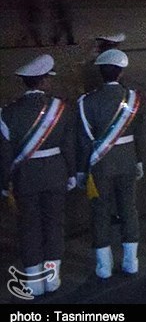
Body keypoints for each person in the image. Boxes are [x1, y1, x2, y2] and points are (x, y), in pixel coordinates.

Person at [0, 54, 76, 296]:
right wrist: (72, 172)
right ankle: (52, 278)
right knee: (54, 224)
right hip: (55, 173)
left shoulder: (7, 113)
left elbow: (5, 154)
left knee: (29, 227)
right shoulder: (61, 108)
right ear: (43, 81)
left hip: (25, 177)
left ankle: (33, 282)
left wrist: (4, 183)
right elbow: (69, 146)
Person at [75, 49, 144, 278]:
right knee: (129, 209)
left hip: (100, 164)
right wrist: (139, 160)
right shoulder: (133, 98)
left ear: (100, 73)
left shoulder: (86, 101)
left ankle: (103, 267)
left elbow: (84, 141)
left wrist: (82, 171)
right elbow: (140, 133)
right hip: (127, 160)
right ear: (121, 72)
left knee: (100, 212)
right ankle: (131, 262)